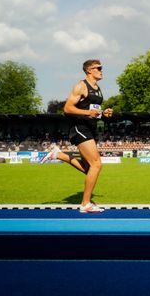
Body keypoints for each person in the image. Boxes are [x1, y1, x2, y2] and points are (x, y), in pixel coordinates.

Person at [40, 59, 113, 213]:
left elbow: (93, 111)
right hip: (79, 129)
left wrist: (103, 113)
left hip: (90, 129)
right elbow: (67, 108)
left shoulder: (97, 89)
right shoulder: (81, 86)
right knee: (97, 165)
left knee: (89, 169)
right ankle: (85, 204)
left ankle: (58, 154)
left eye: (101, 68)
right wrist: (88, 113)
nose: (101, 70)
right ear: (89, 70)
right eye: (98, 68)